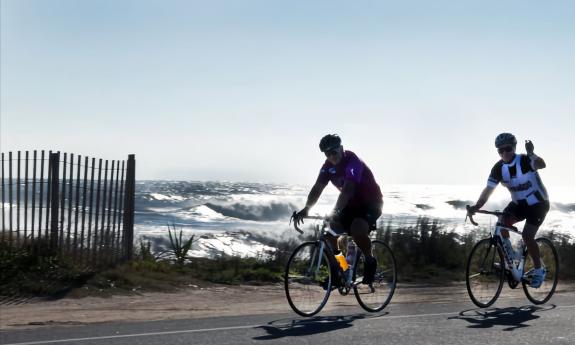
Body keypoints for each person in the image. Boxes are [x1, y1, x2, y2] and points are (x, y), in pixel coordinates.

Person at [293, 134, 383, 285]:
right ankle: (341, 270)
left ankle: (370, 260)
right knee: (329, 238)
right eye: (327, 154)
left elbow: (347, 190)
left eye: (334, 152)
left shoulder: (353, 162)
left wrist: (335, 211)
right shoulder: (327, 167)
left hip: (371, 203)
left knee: (357, 229)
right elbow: (317, 188)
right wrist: (306, 208)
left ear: (341, 148)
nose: (331, 156)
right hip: (351, 205)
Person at [468, 133, 550, 288]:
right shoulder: (498, 168)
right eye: (500, 151)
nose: (504, 153)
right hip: (519, 204)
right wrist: (477, 206)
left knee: (527, 235)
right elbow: (488, 189)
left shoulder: (525, 160)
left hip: (538, 204)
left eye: (508, 149)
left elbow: (542, 164)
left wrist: (531, 154)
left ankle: (539, 271)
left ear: (514, 148)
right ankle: (510, 259)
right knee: (502, 222)